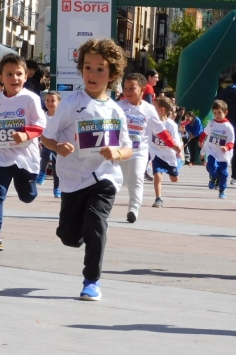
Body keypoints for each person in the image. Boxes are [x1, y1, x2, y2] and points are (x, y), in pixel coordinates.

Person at [41, 38, 132, 301]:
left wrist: (116, 152)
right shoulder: (70, 104)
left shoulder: (116, 111)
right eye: (87, 67)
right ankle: (78, 234)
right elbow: (46, 137)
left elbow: (128, 148)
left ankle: (92, 281)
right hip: (72, 179)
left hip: (105, 178)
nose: (92, 74)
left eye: (100, 69)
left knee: (96, 223)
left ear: (112, 74)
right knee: (69, 237)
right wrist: (58, 147)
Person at [0, 53, 46, 252]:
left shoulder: (31, 99)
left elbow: (41, 124)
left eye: (19, 74)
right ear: (1, 78)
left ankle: (31, 187)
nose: (15, 78)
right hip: (1, 155)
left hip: (25, 158)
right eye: (9, 74)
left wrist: (26, 134)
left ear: (26, 76)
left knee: (27, 196)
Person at [117, 73, 178, 221]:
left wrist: (172, 145)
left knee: (137, 178)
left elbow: (160, 130)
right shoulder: (118, 107)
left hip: (139, 152)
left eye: (132, 88)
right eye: (125, 88)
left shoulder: (149, 110)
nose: (128, 92)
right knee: (123, 180)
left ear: (143, 90)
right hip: (120, 151)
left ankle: (134, 208)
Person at [149, 98, 183, 208]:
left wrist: (178, 150)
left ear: (162, 109)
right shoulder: (151, 122)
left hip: (169, 155)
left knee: (174, 179)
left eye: (154, 107)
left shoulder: (171, 125)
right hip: (156, 153)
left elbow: (176, 140)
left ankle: (174, 169)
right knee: (157, 175)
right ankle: (158, 199)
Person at [199, 100, 235, 198]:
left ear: (225, 112)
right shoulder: (211, 123)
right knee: (211, 166)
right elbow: (204, 133)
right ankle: (213, 177)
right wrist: (201, 140)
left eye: (219, 112)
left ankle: (222, 190)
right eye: (215, 113)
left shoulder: (228, 127)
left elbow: (232, 142)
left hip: (223, 154)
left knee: (224, 174)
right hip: (212, 151)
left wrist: (226, 147)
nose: (217, 115)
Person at [37, 90, 61, 198]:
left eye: (53, 101)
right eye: (47, 100)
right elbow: (38, 128)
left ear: (59, 102)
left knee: (56, 167)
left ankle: (57, 187)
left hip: (57, 144)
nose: (50, 103)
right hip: (45, 141)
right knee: (45, 156)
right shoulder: (42, 115)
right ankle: (42, 172)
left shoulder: (61, 116)